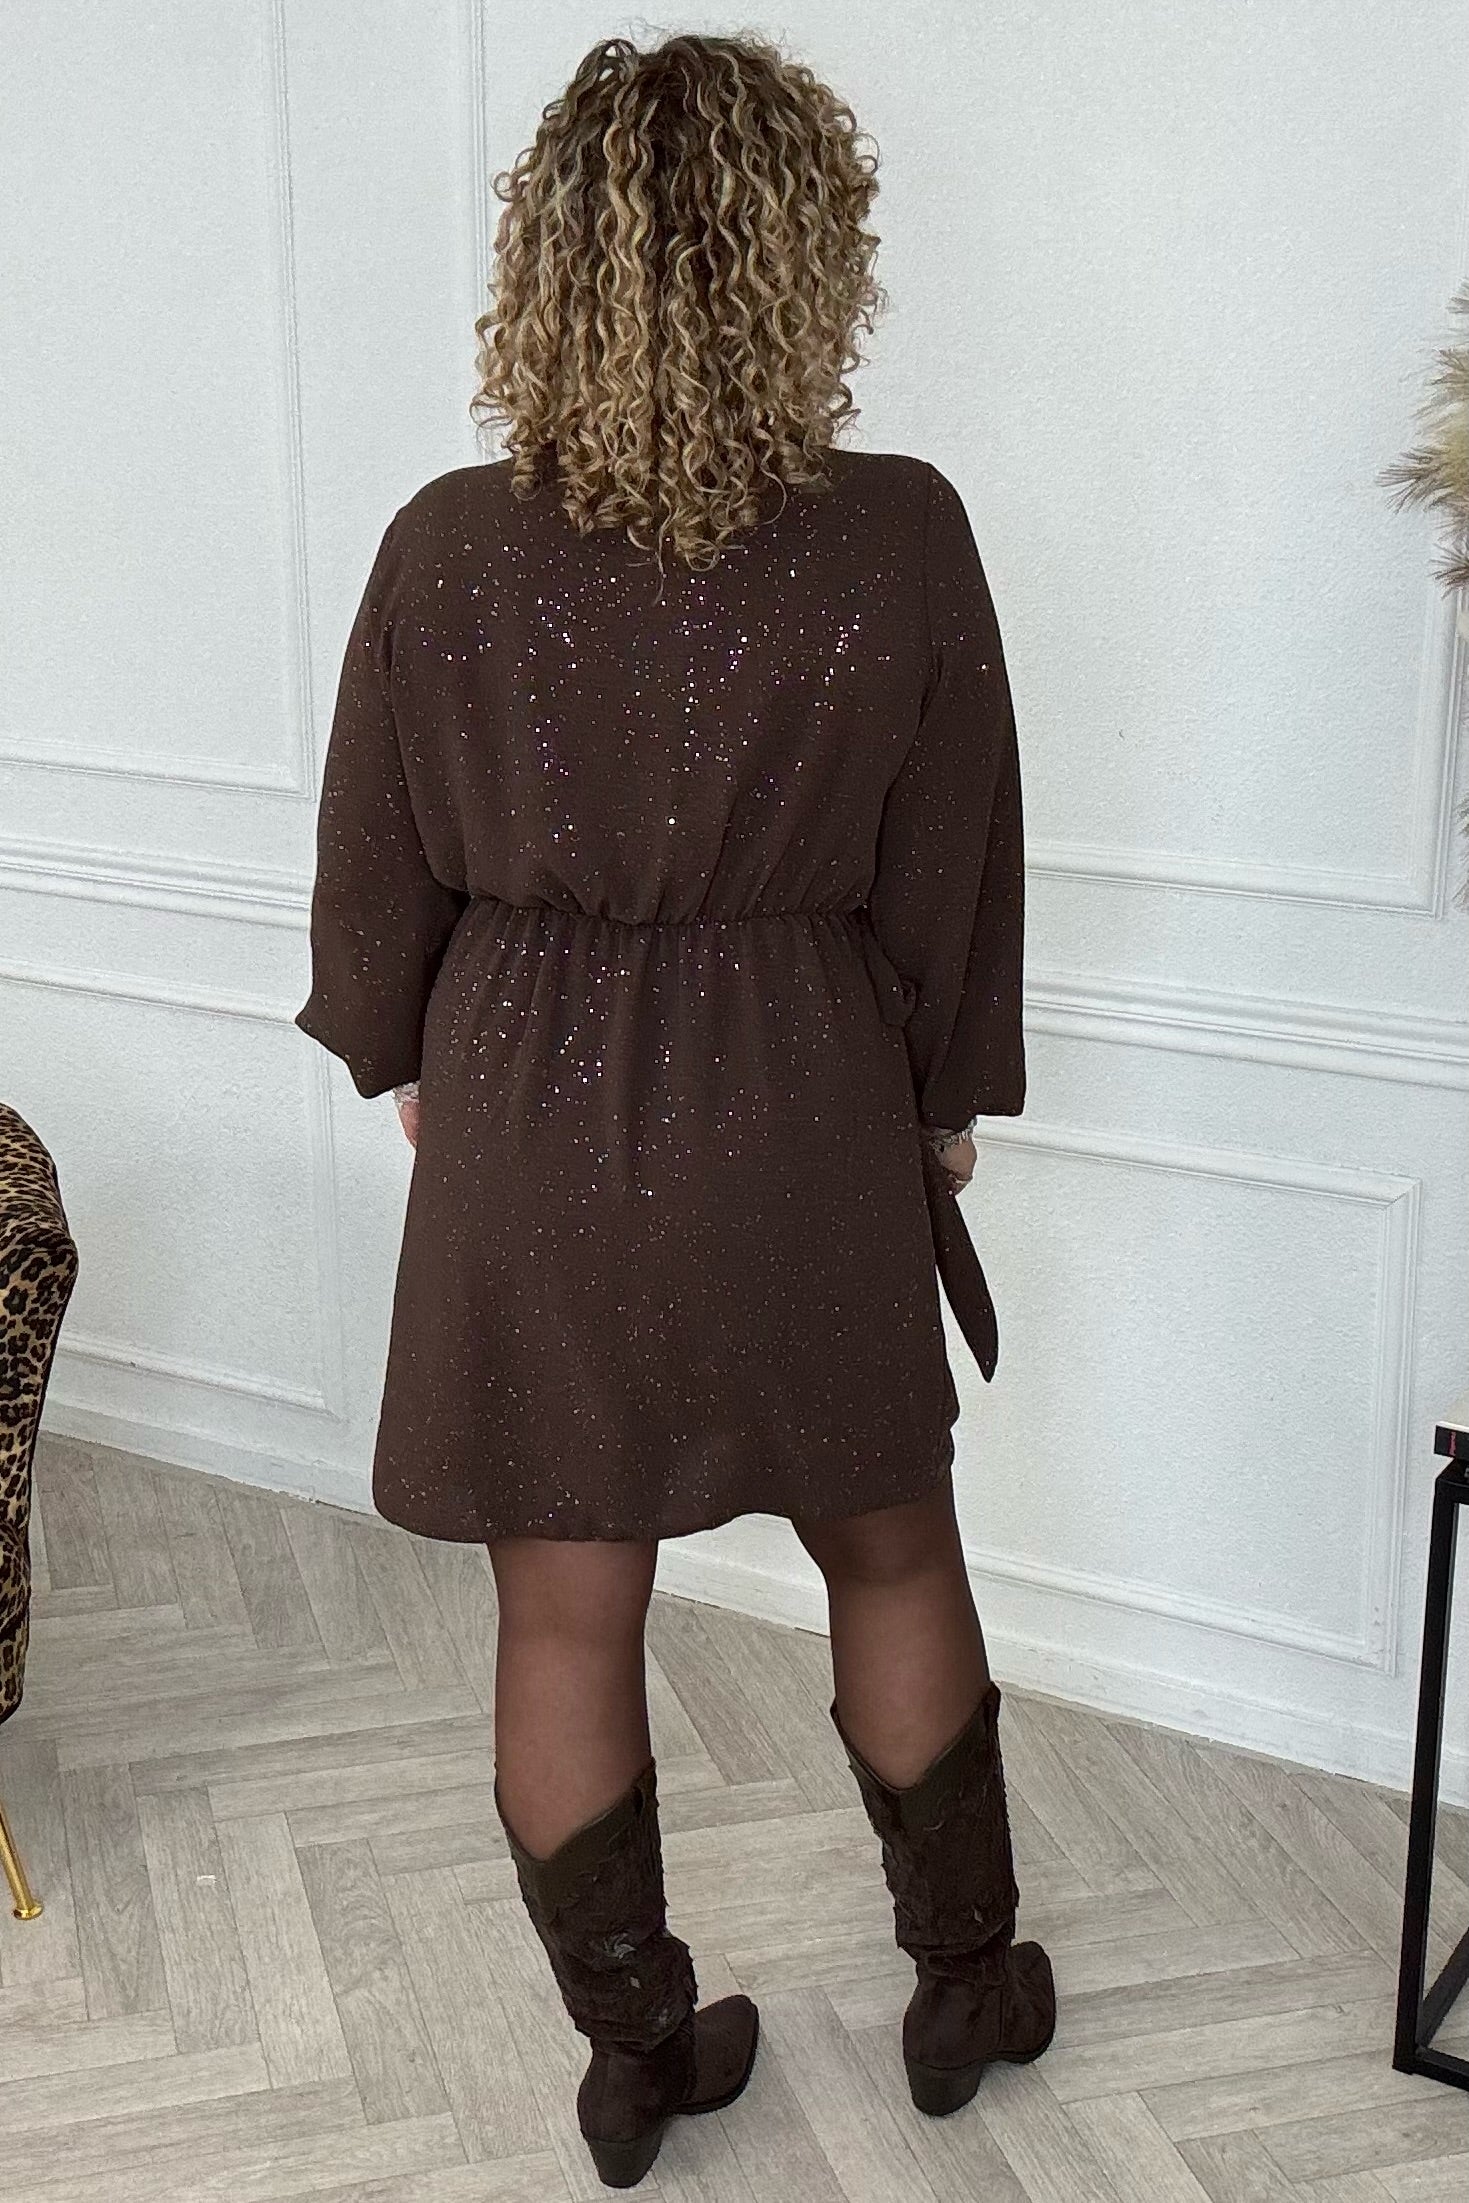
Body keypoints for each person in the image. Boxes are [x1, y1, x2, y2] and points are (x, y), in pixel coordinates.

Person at [294, 28, 1055, 2191]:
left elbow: (372, 871)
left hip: (526, 1111)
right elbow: (951, 863)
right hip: (805, 1097)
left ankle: (637, 2054)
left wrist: (413, 1060)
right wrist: (937, 1109)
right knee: (890, 1544)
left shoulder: (448, 546)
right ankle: (965, 1977)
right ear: (809, 264)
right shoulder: (900, 533)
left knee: (564, 1603)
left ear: (549, 266)